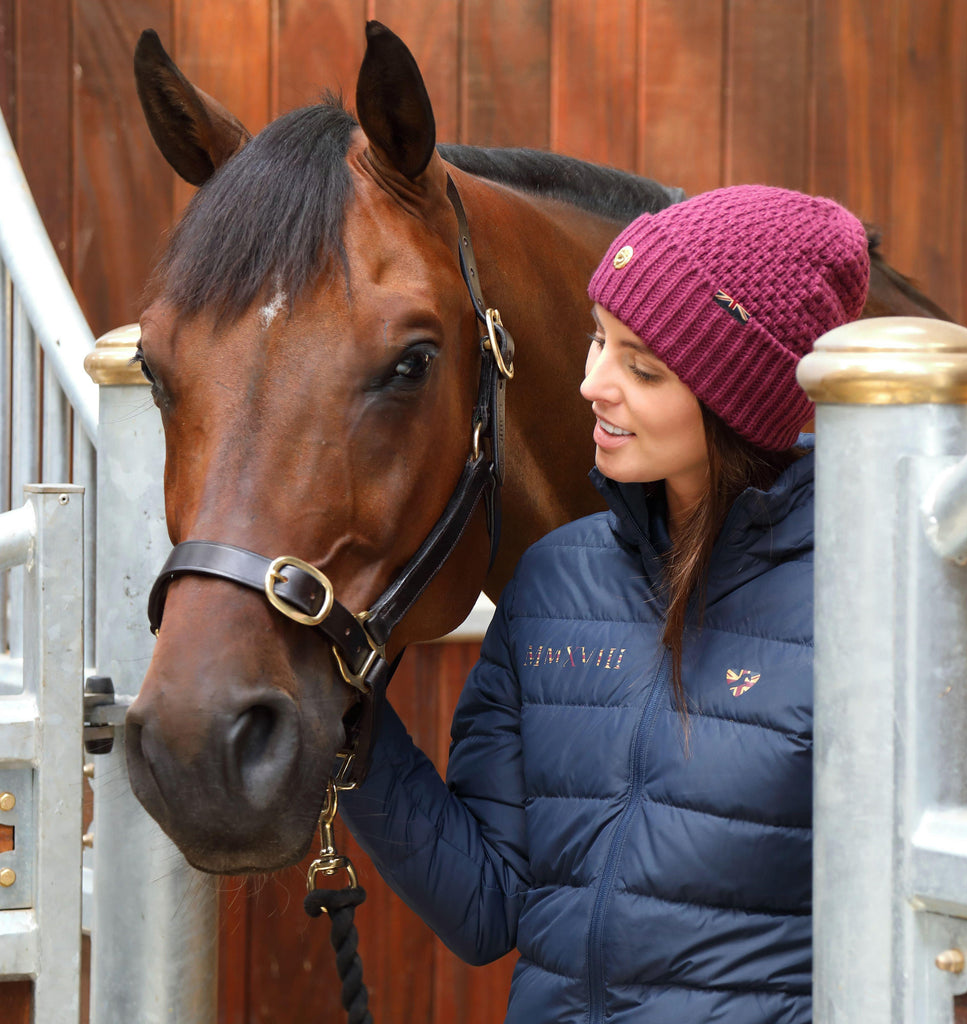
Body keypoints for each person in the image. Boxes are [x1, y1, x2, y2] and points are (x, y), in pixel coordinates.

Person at [338, 184, 871, 1024]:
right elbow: (487, 907)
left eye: (642, 367)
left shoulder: (861, 608)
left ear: (743, 402)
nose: (592, 383)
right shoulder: (553, 585)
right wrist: (345, 720)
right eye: (599, 341)